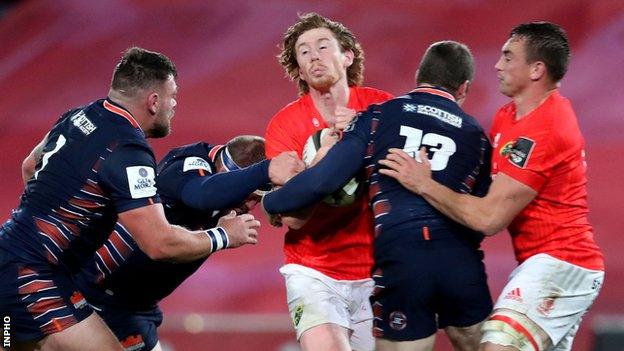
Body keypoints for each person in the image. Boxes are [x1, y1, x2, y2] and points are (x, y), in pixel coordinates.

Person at [0, 47, 260, 351]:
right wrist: (223, 236)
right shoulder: (128, 151)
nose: (174, 104)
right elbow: (159, 243)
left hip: (13, 253)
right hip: (35, 274)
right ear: (153, 102)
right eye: (172, 96)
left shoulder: (78, 115)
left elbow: (30, 166)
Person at [379, 22, 605, 351]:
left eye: (509, 57)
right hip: (538, 263)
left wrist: (423, 184)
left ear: (537, 69)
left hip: (563, 263)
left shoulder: (547, 128)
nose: (498, 65)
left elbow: (488, 218)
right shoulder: (506, 116)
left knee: (497, 346)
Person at [263, 41, 493, 351]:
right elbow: (479, 217)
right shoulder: (476, 135)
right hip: (459, 263)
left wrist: (272, 202)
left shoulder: (380, 115)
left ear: (417, 75)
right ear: (464, 88)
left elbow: (321, 181)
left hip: (402, 257)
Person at [70, 136, 303, 351]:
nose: (250, 206)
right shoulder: (188, 165)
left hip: (137, 306)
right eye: (249, 195)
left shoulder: (225, 194)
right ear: (227, 172)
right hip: (94, 292)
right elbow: (200, 196)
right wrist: (223, 235)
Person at [264, 12, 393, 351]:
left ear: (347, 56)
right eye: (304, 52)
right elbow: (292, 216)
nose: (314, 56)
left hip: (378, 270)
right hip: (313, 271)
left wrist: (365, 131)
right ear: (299, 68)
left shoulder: (383, 109)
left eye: (323, 46)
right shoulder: (285, 125)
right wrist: (328, 156)